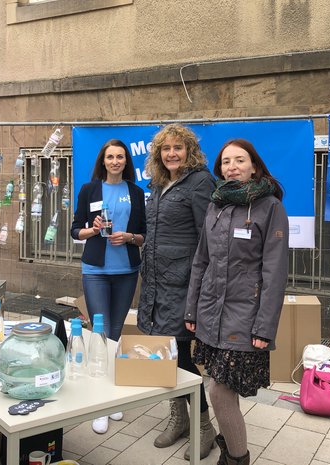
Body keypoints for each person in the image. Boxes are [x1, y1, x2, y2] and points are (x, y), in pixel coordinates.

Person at [185, 139, 289, 465]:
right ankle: (231, 442)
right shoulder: (216, 205)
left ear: (254, 166)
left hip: (246, 315)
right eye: (226, 161)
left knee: (218, 389)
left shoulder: (270, 207)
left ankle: (237, 457)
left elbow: (275, 272)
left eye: (239, 160)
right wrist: (192, 309)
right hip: (210, 311)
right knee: (220, 387)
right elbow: (202, 259)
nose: (232, 166)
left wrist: (265, 326)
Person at [137, 123, 217, 459]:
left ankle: (204, 427)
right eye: (165, 149)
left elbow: (209, 237)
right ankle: (178, 417)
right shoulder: (158, 183)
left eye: (178, 148)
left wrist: (202, 287)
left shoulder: (200, 182)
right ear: (158, 154)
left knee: (182, 357)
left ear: (189, 151)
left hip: (183, 284)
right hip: (155, 283)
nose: (171, 154)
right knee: (164, 353)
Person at [70, 139, 146, 434]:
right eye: (110, 157)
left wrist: (128, 237)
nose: (115, 161)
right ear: (103, 161)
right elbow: (76, 228)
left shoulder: (136, 192)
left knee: (115, 333)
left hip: (127, 269)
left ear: (127, 162)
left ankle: (111, 396)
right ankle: (97, 401)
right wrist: (93, 230)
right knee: (98, 332)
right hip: (96, 270)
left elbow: (143, 234)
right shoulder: (89, 190)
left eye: (120, 157)